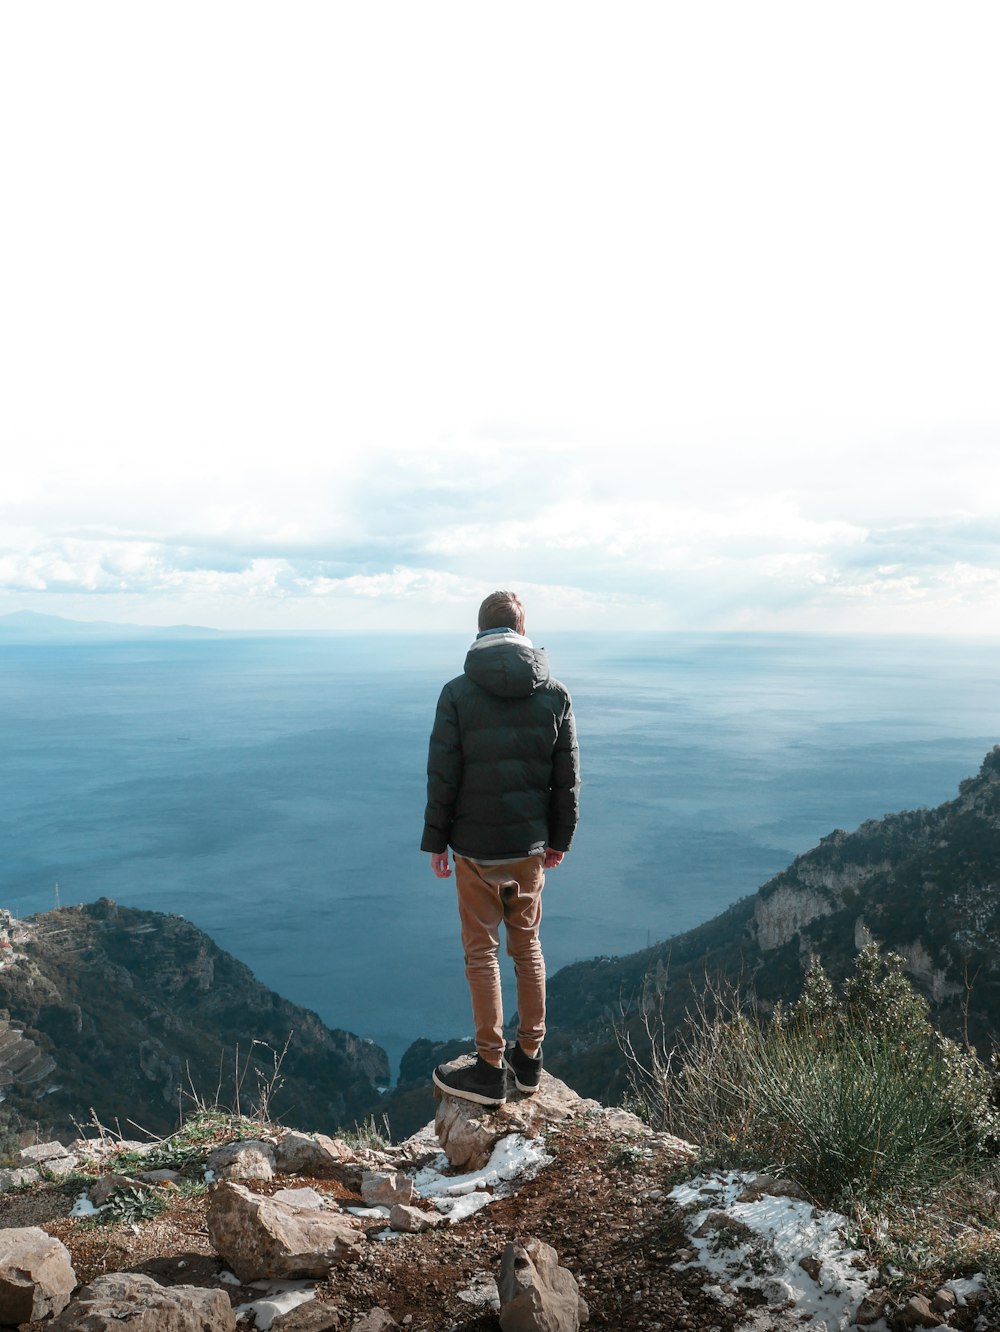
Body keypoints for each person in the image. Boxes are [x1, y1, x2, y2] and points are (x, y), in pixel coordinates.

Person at [421, 590, 580, 1107]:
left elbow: (443, 775)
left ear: (480, 630)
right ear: (522, 626)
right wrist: (559, 840)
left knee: (481, 953)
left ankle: (489, 1067)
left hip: (474, 847)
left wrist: (436, 842)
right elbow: (567, 779)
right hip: (529, 848)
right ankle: (529, 1061)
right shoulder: (555, 694)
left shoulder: (457, 693)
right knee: (527, 948)